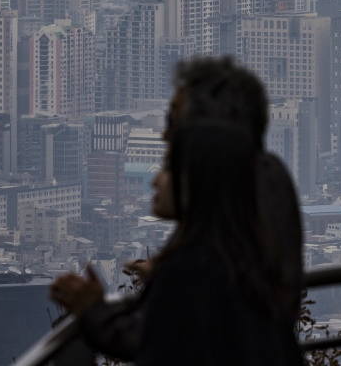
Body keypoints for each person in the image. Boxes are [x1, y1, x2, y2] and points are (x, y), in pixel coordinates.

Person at [50, 57, 303, 360]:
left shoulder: (203, 259)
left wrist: (98, 311)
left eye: (174, 121)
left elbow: (165, 343)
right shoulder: (266, 184)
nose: (165, 134)